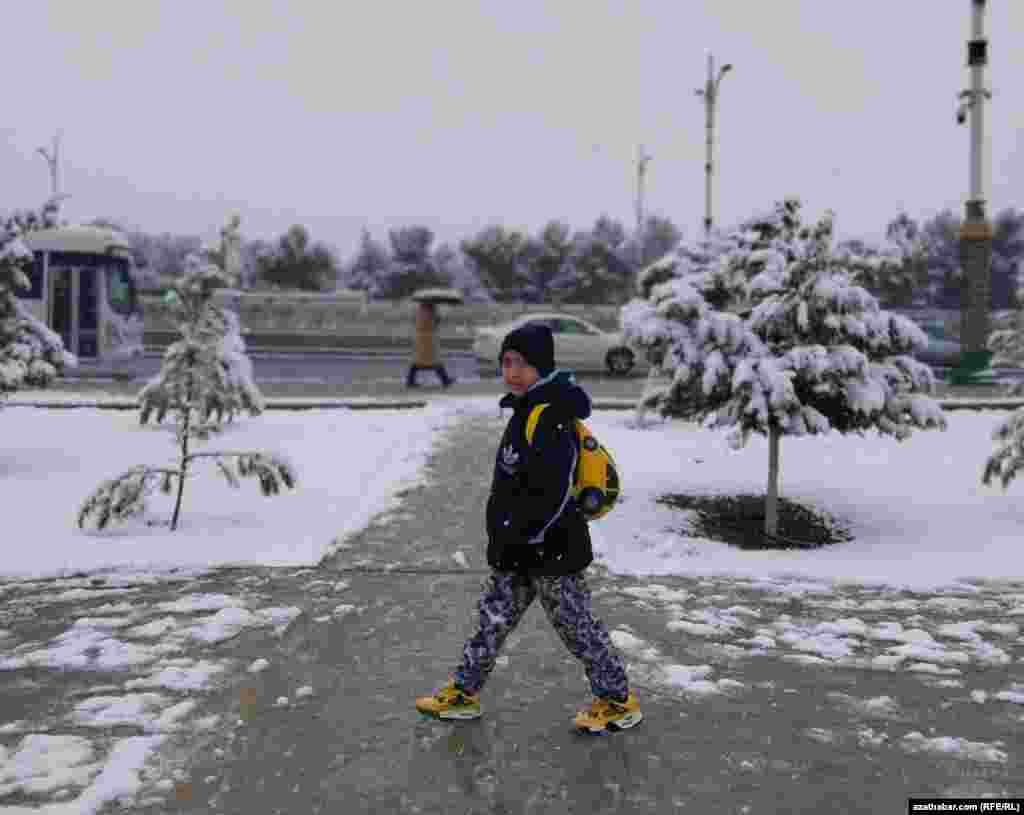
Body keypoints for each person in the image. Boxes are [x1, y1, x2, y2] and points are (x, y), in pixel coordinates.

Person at [415, 322, 642, 733]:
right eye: (506, 362)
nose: (512, 371)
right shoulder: (527, 409)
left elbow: (553, 489)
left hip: (551, 549)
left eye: (522, 363)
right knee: (492, 619)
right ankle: (464, 692)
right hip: (519, 546)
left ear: (542, 366)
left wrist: (524, 534)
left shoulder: (550, 413)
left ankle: (617, 700)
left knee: (577, 626)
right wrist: (507, 534)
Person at [407, 301, 454, 388]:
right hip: (428, 340)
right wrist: (438, 316)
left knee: (418, 362)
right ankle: (445, 380)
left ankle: (410, 381)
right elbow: (434, 323)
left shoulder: (419, 311)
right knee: (434, 361)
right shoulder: (429, 312)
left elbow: (417, 322)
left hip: (421, 339)